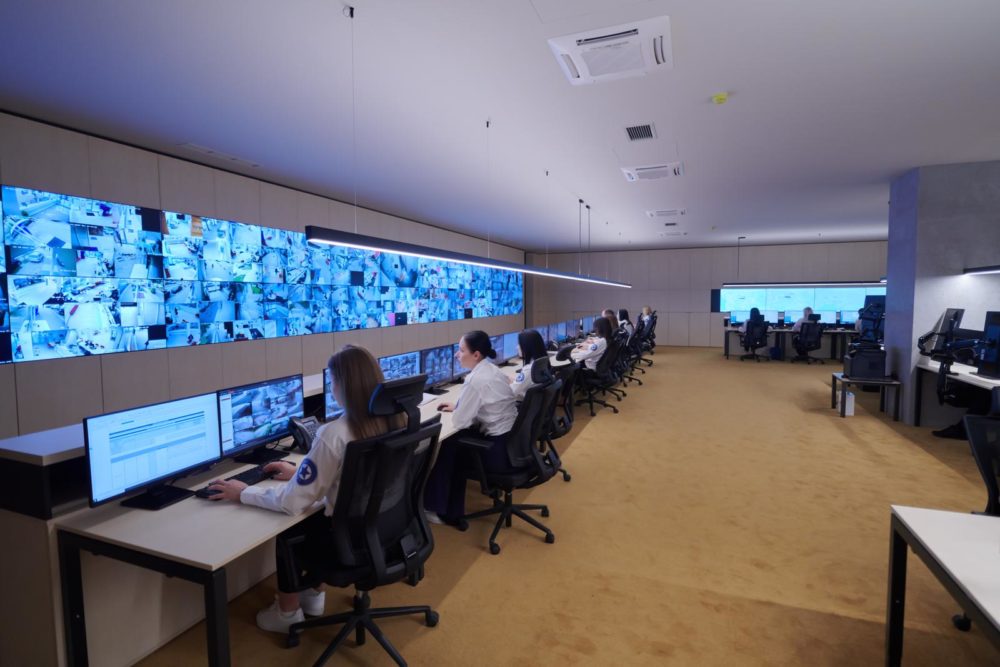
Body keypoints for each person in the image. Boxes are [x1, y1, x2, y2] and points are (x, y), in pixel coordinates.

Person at [205, 345, 406, 633]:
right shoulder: (395, 419)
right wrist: (300, 472)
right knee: (317, 513)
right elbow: (347, 475)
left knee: (290, 529)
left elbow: (292, 503)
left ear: (341, 385)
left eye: (332, 381)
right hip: (384, 529)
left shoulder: (334, 433)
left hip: (347, 542)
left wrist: (242, 493)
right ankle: (314, 598)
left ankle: (287, 614)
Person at [424, 331, 518, 524]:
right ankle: (446, 508)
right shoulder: (492, 370)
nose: (457, 355)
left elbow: (460, 422)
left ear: (476, 355)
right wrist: (460, 405)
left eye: (461, 350)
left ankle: (441, 509)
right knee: (457, 441)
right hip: (511, 443)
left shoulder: (475, 380)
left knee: (450, 444)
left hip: (497, 451)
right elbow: (485, 405)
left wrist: (460, 409)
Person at [510, 329, 548, 400]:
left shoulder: (529, 369)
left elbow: (511, 391)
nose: (517, 347)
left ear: (526, 346)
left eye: (519, 344)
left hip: (520, 405)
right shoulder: (543, 362)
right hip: (535, 405)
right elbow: (524, 381)